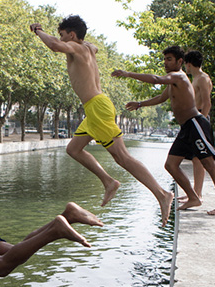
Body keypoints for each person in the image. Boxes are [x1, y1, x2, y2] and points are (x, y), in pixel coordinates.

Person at [30, 15, 174, 226]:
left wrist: (38, 30)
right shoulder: (88, 47)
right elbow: (94, 47)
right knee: (73, 149)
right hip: (94, 109)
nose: (60, 39)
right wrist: (83, 41)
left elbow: (54, 45)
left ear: (72, 35)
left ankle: (162, 194)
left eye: (62, 35)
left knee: (123, 158)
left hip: (97, 107)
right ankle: (108, 182)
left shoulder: (76, 47)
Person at [112, 46, 215, 216]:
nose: (165, 63)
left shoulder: (179, 76)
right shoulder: (172, 81)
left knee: (209, 164)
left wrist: (128, 74)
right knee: (170, 165)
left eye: (169, 59)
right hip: (186, 128)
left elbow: (155, 79)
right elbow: (161, 97)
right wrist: (140, 104)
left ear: (180, 61)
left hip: (195, 124)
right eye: (164, 59)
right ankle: (193, 197)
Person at [183, 50, 214, 202]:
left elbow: (207, 102)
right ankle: (194, 192)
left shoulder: (202, 78)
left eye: (185, 65)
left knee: (199, 158)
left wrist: (202, 121)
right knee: (195, 158)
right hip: (194, 118)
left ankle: (198, 193)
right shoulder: (195, 78)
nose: (185, 68)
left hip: (200, 117)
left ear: (189, 64)